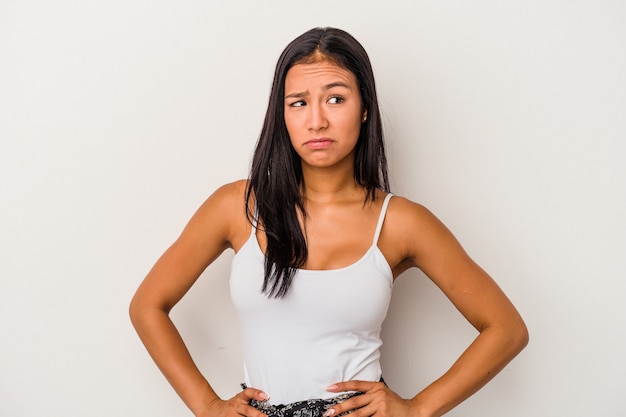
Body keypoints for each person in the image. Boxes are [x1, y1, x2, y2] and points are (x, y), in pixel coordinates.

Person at [129, 27, 528, 417]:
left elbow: (506, 329)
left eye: (335, 99)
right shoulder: (239, 206)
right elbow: (148, 305)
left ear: (365, 107)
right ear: (281, 114)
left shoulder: (400, 222)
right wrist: (206, 405)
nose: (316, 121)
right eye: (298, 103)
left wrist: (419, 408)